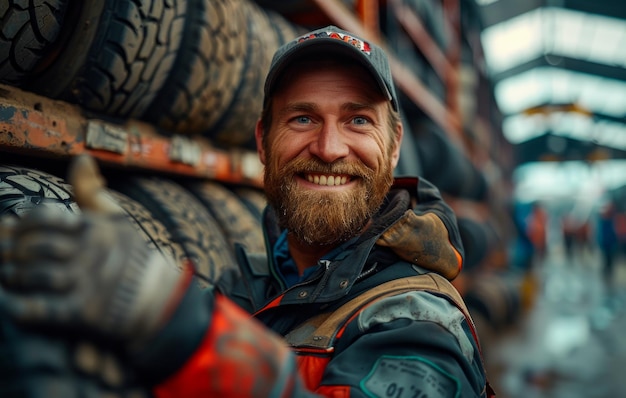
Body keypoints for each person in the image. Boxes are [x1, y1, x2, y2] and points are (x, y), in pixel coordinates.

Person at [0, 26, 493, 397]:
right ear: (263, 140)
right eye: (302, 118)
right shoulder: (255, 287)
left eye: (357, 120)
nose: (328, 147)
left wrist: (186, 333)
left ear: (392, 148)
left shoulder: (420, 324)